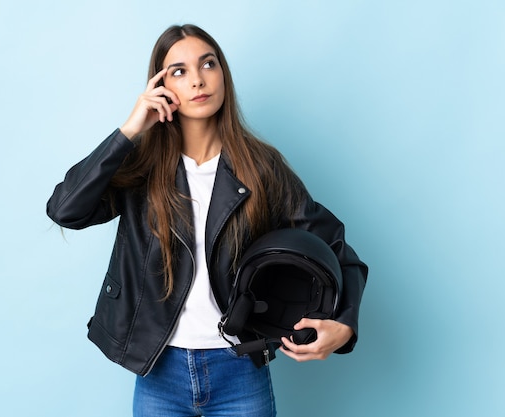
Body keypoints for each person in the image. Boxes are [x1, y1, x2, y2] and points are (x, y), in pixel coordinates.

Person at [47, 23, 368, 417]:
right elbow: (66, 209)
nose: (198, 80)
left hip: (239, 371)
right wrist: (130, 130)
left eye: (208, 64)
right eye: (179, 71)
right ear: (161, 87)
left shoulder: (261, 168)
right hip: (158, 371)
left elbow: (335, 245)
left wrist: (345, 324)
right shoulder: (142, 166)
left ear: (223, 75)